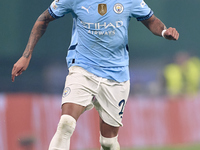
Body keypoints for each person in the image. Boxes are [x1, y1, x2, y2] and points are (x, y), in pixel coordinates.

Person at [11, 0, 179, 149]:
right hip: (83, 70)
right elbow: (44, 18)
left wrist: (164, 32)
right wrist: (26, 55)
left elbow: (151, 21)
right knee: (66, 124)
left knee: (108, 143)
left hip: (116, 76)